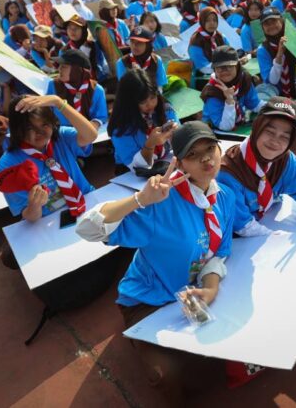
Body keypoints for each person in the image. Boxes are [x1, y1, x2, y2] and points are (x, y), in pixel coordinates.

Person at [74, 122, 235, 406]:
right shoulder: (161, 203)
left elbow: (218, 253)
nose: (207, 159)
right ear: (179, 163)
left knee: (216, 356)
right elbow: (86, 229)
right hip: (145, 300)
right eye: (194, 155)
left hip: (188, 292)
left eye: (210, 148)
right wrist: (139, 199)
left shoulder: (225, 198)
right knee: (165, 373)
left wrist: (210, 289)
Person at [218, 96, 296, 236]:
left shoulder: (286, 161)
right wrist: (277, 238)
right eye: (269, 132)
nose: (275, 141)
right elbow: (242, 226)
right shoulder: (228, 171)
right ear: (257, 127)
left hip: (266, 223)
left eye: (284, 137)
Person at [0, 94, 98, 222]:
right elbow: (29, 216)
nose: (40, 132)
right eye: (29, 128)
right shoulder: (9, 164)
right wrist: (35, 205)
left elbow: (91, 135)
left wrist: (59, 102)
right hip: (49, 220)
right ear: (17, 130)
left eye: (44, 124)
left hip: (87, 200)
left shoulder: (60, 137)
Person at [109, 67, 178, 173]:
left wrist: (176, 134)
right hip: (131, 175)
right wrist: (151, 143)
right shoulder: (120, 127)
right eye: (142, 101)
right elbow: (135, 166)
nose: (150, 104)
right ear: (129, 102)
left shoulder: (165, 109)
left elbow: (181, 144)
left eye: (153, 97)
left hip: (164, 165)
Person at [256, 6, 296, 99]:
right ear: (262, 28)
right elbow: (273, 81)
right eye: (266, 24)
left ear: (281, 21)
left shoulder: (290, 40)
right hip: (276, 98)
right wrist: (279, 55)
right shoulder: (263, 50)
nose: (271, 26)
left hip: (295, 89)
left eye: (274, 21)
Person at [200, 46, 263, 131]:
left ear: (237, 66)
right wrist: (229, 100)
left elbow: (255, 104)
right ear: (214, 70)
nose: (224, 71)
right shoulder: (212, 92)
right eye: (219, 68)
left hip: (239, 124)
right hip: (217, 132)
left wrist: (276, 106)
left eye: (229, 66)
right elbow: (225, 127)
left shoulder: (244, 79)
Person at [46, 49, 107, 129]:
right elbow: (47, 112)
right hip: (61, 134)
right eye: (59, 65)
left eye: (64, 66)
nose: (59, 69)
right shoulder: (53, 85)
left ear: (77, 70)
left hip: (86, 135)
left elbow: (101, 116)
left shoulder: (96, 90)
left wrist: (93, 125)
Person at [63, 15, 110, 83]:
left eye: (76, 28)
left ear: (83, 30)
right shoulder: (64, 50)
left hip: (96, 82)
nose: (72, 31)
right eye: (69, 28)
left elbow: (102, 65)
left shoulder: (93, 45)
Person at [188, 7, 228, 76]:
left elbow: (229, 54)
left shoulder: (220, 37)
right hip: (204, 78)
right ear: (202, 21)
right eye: (207, 20)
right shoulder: (196, 41)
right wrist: (224, 69)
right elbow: (204, 68)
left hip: (223, 72)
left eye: (214, 20)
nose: (212, 23)